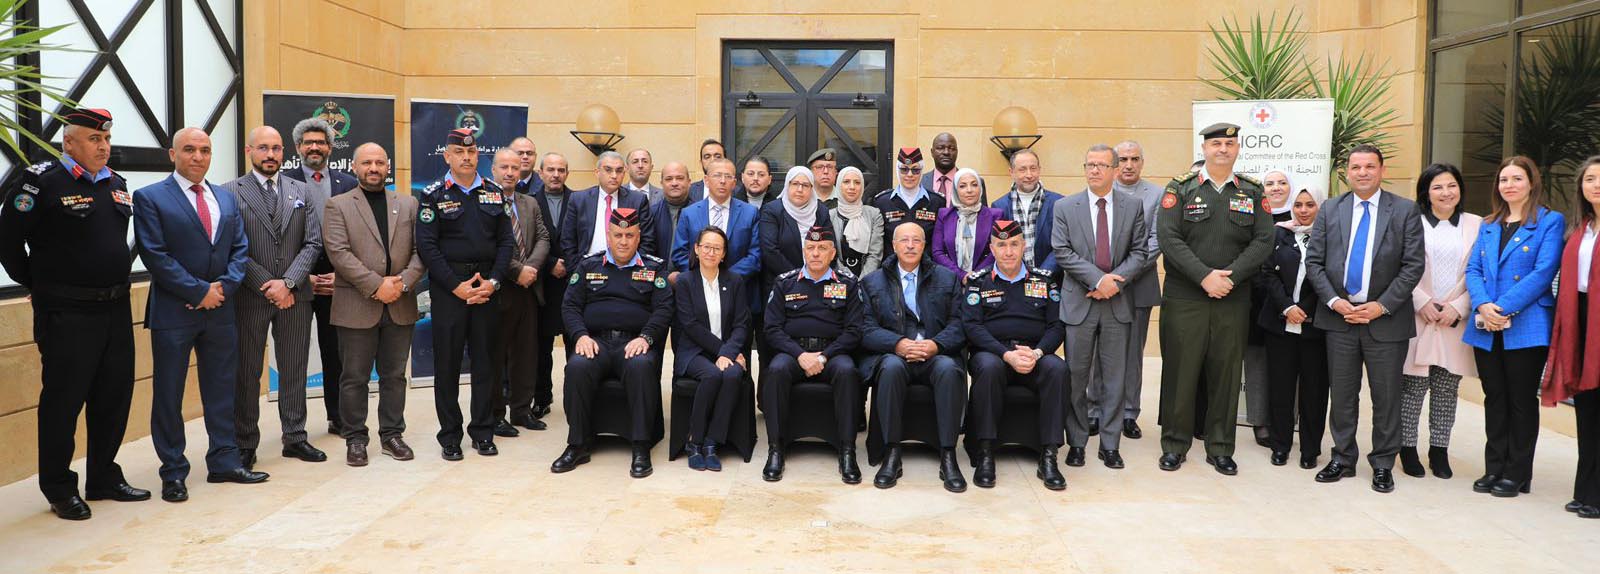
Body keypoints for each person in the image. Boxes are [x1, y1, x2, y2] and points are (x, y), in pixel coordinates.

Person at [0, 108, 149, 519]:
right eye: (94, 139)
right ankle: (59, 487)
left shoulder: (115, 183)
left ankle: (103, 478)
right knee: (63, 403)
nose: (104, 146)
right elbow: (7, 242)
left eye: (107, 139)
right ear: (69, 143)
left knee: (113, 397)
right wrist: (38, 284)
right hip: (67, 312)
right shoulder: (41, 181)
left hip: (115, 309)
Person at [135, 127, 269, 503]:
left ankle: (224, 461)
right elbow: (154, 254)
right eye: (190, 149)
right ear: (173, 155)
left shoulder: (225, 198)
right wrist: (198, 292)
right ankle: (173, 471)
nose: (198, 157)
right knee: (169, 394)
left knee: (222, 390)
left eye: (205, 150)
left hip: (221, 312)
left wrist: (222, 289)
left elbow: (240, 249)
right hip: (174, 313)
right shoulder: (150, 197)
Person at [1305, 144, 1427, 493]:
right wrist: (1334, 301)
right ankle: (1342, 458)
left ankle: (1383, 463)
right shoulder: (1331, 209)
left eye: (1370, 166)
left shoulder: (1404, 210)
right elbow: (1314, 261)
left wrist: (1381, 306)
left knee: (1386, 397)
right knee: (1343, 395)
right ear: (1347, 172)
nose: (1362, 173)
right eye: (1356, 167)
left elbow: (1413, 265)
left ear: (1382, 170)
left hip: (1385, 321)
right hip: (1340, 320)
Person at [1154, 123, 1274, 475]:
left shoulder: (1252, 191)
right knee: (1180, 372)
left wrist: (1230, 278)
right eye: (1216, 143)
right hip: (1185, 297)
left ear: (1238, 149)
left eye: (1230, 144)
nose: (1223, 149)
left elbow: (1263, 240)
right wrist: (1204, 276)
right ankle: (1174, 444)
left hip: (1232, 298)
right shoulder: (1180, 188)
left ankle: (1220, 447)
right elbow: (1169, 238)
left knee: (1226, 374)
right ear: (1204, 149)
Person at [224, 125, 327, 470]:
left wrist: (289, 283)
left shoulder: (301, 190)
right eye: (263, 148)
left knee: (294, 368)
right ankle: (244, 442)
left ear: (285, 152)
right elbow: (233, 247)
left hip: (295, 297)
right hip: (250, 296)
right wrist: (269, 284)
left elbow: (313, 242)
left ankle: (295, 437)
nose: (271, 155)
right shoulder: (229, 192)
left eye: (277, 148)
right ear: (249, 151)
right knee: (247, 371)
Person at [1464, 155, 1564, 498]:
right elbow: (1473, 270)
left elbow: (1543, 272)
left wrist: (1503, 308)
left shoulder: (1549, 221)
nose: (1509, 185)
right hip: (1486, 323)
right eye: (1504, 179)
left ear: (1531, 183)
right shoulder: (1489, 223)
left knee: (1520, 400)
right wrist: (1483, 305)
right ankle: (1494, 468)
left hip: (1526, 324)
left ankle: (1517, 473)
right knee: (1494, 397)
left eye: (1517, 178)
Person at [415, 128, 516, 461]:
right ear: (447, 156)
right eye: (459, 152)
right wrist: (455, 286)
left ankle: (483, 432)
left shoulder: (494, 193)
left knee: (486, 364)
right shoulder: (432, 195)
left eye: (471, 153)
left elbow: (506, 242)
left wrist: (494, 281)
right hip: (450, 290)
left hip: (487, 287)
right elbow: (427, 247)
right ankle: (450, 436)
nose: (467, 157)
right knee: (447, 366)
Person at [323, 142, 425, 465]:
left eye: (380, 162)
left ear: (388, 167)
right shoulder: (338, 205)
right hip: (357, 305)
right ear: (354, 167)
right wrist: (376, 285)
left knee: (394, 375)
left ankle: (392, 435)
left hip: (400, 303)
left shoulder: (408, 204)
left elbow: (422, 251)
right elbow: (338, 253)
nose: (374, 168)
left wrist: (402, 283)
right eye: (367, 163)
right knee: (354, 377)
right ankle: (355, 439)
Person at [551, 207, 673, 478]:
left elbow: (664, 308)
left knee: (641, 367)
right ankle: (578, 444)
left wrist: (646, 337)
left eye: (630, 235)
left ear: (638, 237)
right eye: (618, 235)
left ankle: (640, 446)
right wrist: (580, 335)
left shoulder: (653, 268)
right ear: (608, 236)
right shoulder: (589, 265)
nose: (624, 241)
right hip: (596, 342)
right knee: (577, 367)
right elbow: (570, 306)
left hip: (634, 343)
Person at [1052, 144, 1148, 470]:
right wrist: (1098, 280)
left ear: (1115, 170)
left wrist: (1114, 284)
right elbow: (1062, 251)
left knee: (1114, 379)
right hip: (1079, 302)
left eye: (1101, 165)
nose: (1094, 170)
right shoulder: (1066, 207)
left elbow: (1140, 252)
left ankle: (1110, 445)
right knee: (1076, 378)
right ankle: (1077, 443)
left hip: (1117, 304)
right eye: (1089, 165)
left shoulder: (1132, 206)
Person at [860, 222, 968, 492]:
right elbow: (865, 329)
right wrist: (897, 343)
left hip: (935, 352)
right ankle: (891, 453)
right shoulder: (873, 282)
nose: (910, 246)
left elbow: (959, 324)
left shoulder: (947, 278)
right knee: (891, 369)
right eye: (904, 240)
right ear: (893, 246)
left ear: (924, 245)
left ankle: (948, 455)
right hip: (894, 353)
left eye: (916, 240)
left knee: (948, 370)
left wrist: (935, 345)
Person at [963, 220, 1067, 490]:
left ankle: (1049, 455)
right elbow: (972, 327)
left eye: (1013, 244)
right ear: (992, 249)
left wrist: (1037, 352)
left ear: (1024, 246)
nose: (1008, 251)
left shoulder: (1044, 280)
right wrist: (1006, 354)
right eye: (1001, 245)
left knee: (1057, 369)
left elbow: (1056, 326)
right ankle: (985, 452)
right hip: (993, 352)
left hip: (1034, 352)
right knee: (988, 368)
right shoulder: (978, 282)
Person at [760, 224, 863, 484]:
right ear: (803, 251)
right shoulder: (785, 282)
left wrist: (824, 356)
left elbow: (854, 331)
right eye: (811, 248)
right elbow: (771, 329)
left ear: (832, 253)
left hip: (833, 353)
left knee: (848, 372)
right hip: (794, 352)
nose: (816, 253)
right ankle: (775, 449)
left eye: (822, 248)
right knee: (776, 371)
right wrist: (800, 355)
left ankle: (848, 451)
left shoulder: (847, 283)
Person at [1399, 163, 1481, 479]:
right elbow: (1397, 265)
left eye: (1451, 185)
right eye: (1437, 187)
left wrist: (1459, 307)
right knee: (1412, 387)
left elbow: (1483, 271)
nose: (1446, 192)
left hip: (1454, 320)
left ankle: (1439, 450)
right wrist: (1420, 301)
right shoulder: (1411, 222)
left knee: (1447, 389)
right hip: (1417, 315)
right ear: (1426, 192)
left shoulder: (1477, 225)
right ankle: (1407, 448)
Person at [280, 118, 358, 437]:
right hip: (296, 281)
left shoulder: (348, 182)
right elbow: (278, 237)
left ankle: (338, 417)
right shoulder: (283, 182)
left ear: (330, 148)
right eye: (308, 142)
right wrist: (299, 277)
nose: (315, 147)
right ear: (298, 147)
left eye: (321, 142)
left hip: (337, 280)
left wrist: (342, 274)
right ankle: (293, 426)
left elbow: (358, 232)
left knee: (336, 353)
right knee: (294, 356)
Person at [1255, 186, 1330, 469]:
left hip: (1315, 327)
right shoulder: (1279, 233)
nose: (1303, 210)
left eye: (1310, 204)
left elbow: (1330, 276)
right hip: (1279, 323)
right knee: (1280, 388)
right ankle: (1280, 445)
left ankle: (1310, 449)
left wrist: (1305, 308)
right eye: (1298, 204)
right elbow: (1267, 273)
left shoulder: (1330, 237)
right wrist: (1287, 307)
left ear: (1320, 207)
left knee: (1314, 392)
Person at [1543, 155, 1600, 519]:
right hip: (1580, 319)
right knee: (1587, 409)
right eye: (1590, 179)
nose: (1596, 185)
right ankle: (1585, 489)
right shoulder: (1581, 229)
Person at [672, 227, 750, 471]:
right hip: (694, 351)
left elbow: (741, 323)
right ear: (696, 249)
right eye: (706, 246)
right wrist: (724, 352)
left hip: (726, 350)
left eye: (717, 248)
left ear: (724, 254)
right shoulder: (685, 281)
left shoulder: (734, 281)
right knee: (713, 374)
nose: (711, 252)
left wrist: (730, 352)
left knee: (733, 374)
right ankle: (694, 441)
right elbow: (690, 325)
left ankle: (711, 442)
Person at [488, 148, 551, 436]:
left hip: (529, 288)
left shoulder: (529, 202)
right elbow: (488, 244)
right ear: (493, 170)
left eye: (515, 168)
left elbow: (543, 237)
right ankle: (495, 414)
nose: (510, 172)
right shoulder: (485, 201)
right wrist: (516, 271)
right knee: (496, 355)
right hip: (500, 287)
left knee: (526, 353)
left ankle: (521, 410)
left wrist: (531, 268)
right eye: (504, 167)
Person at [758, 167, 835, 385]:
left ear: (812, 188)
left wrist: (813, 277)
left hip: (818, 286)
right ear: (787, 186)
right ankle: (769, 397)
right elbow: (770, 250)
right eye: (795, 184)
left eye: (805, 185)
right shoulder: (772, 210)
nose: (800, 189)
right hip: (780, 286)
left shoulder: (820, 210)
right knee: (774, 349)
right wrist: (798, 279)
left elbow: (829, 246)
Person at [1242, 169, 1299, 448]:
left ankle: (1286, 420)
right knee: (1257, 363)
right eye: (1270, 183)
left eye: (1282, 183)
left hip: (1291, 304)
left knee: (1289, 365)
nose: (1276, 188)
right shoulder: (1253, 217)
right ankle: (1259, 421)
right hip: (1256, 300)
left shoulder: (1301, 217)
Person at [1110, 140, 1161, 440]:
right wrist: (1105, 277)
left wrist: (1122, 274)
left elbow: (1157, 240)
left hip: (1138, 284)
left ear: (1142, 162)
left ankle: (1129, 413)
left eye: (1134, 159)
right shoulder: (1102, 190)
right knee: (1100, 351)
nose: (1128, 165)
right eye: (1123, 159)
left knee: (1132, 354)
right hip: (1102, 285)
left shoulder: (1157, 194)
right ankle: (1096, 409)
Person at [532, 152, 574, 420]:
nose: (556, 175)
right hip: (542, 285)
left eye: (561, 170)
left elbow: (584, 237)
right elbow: (525, 241)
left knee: (575, 346)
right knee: (541, 348)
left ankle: (574, 398)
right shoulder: (530, 202)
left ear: (567, 173)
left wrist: (568, 264)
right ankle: (542, 398)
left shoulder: (579, 200)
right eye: (551, 170)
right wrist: (549, 264)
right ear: (541, 173)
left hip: (572, 284)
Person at [671, 158, 760, 280]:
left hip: (738, 284)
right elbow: (679, 254)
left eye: (728, 176)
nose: (722, 181)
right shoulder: (689, 213)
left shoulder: (750, 212)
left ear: (734, 183)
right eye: (717, 175)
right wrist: (703, 276)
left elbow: (755, 255)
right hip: (698, 285)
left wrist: (726, 278)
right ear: (706, 180)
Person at [560, 150, 655, 258]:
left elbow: (648, 240)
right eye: (608, 170)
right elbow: (568, 240)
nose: (614, 175)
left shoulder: (637, 201)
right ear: (597, 172)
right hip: (587, 265)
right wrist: (576, 266)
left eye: (619, 171)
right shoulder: (579, 200)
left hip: (627, 266)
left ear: (624, 173)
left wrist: (634, 266)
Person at [991, 150, 1062, 276]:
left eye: (1033, 168)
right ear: (1011, 172)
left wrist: (1042, 274)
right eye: (1022, 169)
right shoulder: (1000, 206)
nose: (1029, 175)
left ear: (1039, 170)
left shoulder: (1059, 203)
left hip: (1051, 278)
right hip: (1014, 279)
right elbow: (1001, 246)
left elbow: (1062, 244)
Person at [871, 147, 946, 259]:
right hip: (891, 266)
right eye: (904, 169)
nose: (910, 174)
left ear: (921, 171)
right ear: (897, 170)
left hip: (927, 266)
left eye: (915, 170)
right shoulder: (882, 202)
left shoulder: (937, 201)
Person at [932, 168, 1000, 276]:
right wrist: (961, 275)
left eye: (974, 185)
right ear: (955, 190)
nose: (969, 190)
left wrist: (975, 275)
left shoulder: (995, 216)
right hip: (951, 279)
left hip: (984, 279)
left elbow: (997, 250)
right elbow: (937, 252)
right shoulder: (944, 215)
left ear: (980, 188)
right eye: (962, 186)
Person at [830, 165, 885, 277]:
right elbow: (831, 254)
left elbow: (875, 254)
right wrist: (847, 279)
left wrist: (863, 281)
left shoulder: (874, 215)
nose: (852, 187)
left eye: (857, 182)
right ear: (839, 185)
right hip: (838, 279)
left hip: (868, 279)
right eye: (846, 182)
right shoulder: (829, 216)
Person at [648, 162, 694, 273]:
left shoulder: (699, 213)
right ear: (661, 183)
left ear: (689, 182)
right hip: (658, 278)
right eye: (669, 179)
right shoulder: (651, 213)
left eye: (680, 178)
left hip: (691, 277)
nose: (674, 183)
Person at [922, 132, 986, 207]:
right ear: (932, 152)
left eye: (951, 148)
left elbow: (984, 212)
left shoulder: (976, 183)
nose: (946, 152)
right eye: (940, 148)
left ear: (957, 152)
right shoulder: (920, 182)